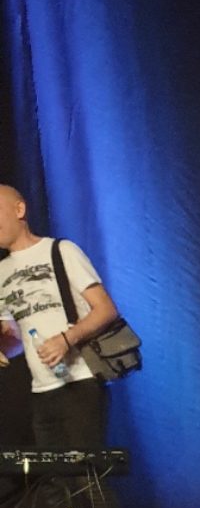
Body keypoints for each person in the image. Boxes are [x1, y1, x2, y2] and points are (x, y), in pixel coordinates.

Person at [0, 185, 119, 447]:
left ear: (19, 209)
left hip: (81, 382)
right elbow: (17, 340)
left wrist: (66, 339)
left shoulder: (61, 250)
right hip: (41, 391)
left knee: (83, 469)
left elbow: (106, 309)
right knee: (52, 471)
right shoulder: (1, 272)